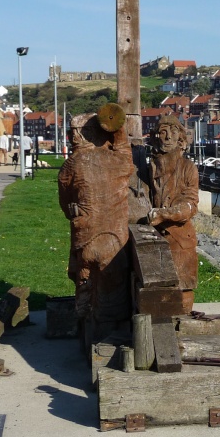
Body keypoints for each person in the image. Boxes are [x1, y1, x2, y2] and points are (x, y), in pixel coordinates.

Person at [57, 105, 133, 343]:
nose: (73, 138)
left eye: (77, 132)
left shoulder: (71, 164)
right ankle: (108, 336)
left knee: (85, 289)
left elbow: (65, 201)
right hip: (114, 241)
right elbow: (123, 144)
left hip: (85, 240)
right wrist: (115, 125)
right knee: (113, 294)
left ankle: (87, 331)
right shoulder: (118, 159)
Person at [147, 115, 199, 314]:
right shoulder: (151, 167)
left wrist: (166, 214)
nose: (168, 137)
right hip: (154, 237)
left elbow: (190, 204)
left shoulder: (188, 168)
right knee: (156, 292)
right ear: (156, 137)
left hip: (180, 237)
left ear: (180, 139)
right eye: (163, 132)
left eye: (173, 132)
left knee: (183, 289)